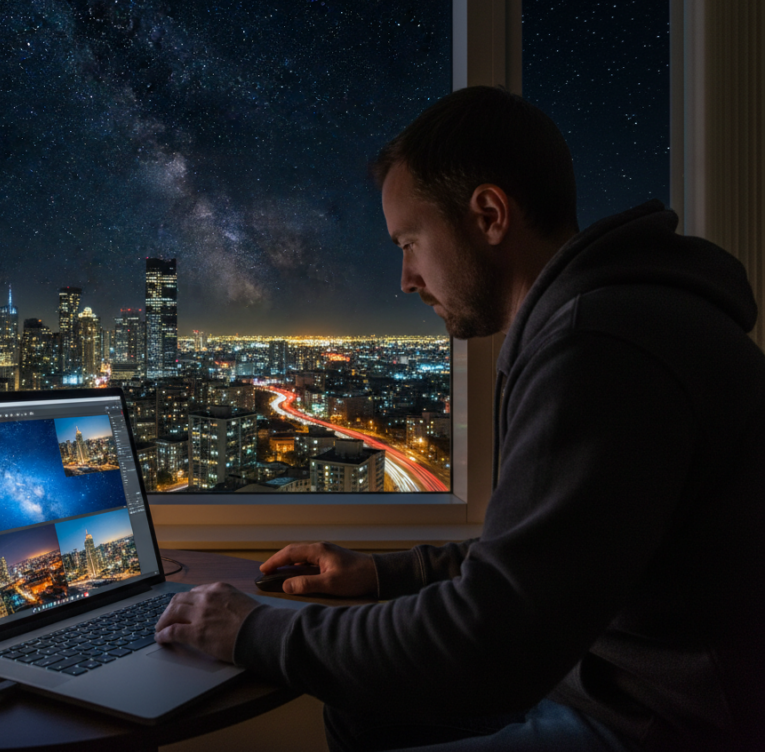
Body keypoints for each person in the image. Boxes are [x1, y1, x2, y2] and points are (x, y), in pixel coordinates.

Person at [154, 86, 765, 751]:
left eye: (409, 242)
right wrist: (384, 574)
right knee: (363, 712)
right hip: (619, 683)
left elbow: (490, 639)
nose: (405, 279)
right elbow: (548, 554)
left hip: (667, 726)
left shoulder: (597, 346)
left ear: (490, 214)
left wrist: (252, 631)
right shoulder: (610, 320)